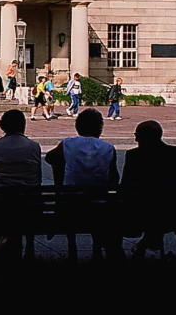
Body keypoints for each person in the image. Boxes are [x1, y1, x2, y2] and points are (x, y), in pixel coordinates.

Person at [45, 108, 122, 259]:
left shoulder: (67, 143)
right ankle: (97, 248)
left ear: (78, 126)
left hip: (71, 206)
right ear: (100, 128)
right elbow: (114, 178)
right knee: (102, 210)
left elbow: (50, 158)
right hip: (99, 206)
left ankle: (72, 246)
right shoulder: (108, 148)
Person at [122, 120, 176, 256]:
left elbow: (125, 185)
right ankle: (151, 240)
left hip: (141, 213)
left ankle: (148, 241)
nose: (135, 138)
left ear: (142, 137)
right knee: (160, 205)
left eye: (137, 135)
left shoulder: (133, 156)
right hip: (175, 212)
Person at [0, 109, 43, 258]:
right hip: (28, 205)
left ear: (2, 126)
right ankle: (29, 245)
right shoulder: (34, 147)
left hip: (0, 204)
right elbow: (38, 177)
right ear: (23, 125)